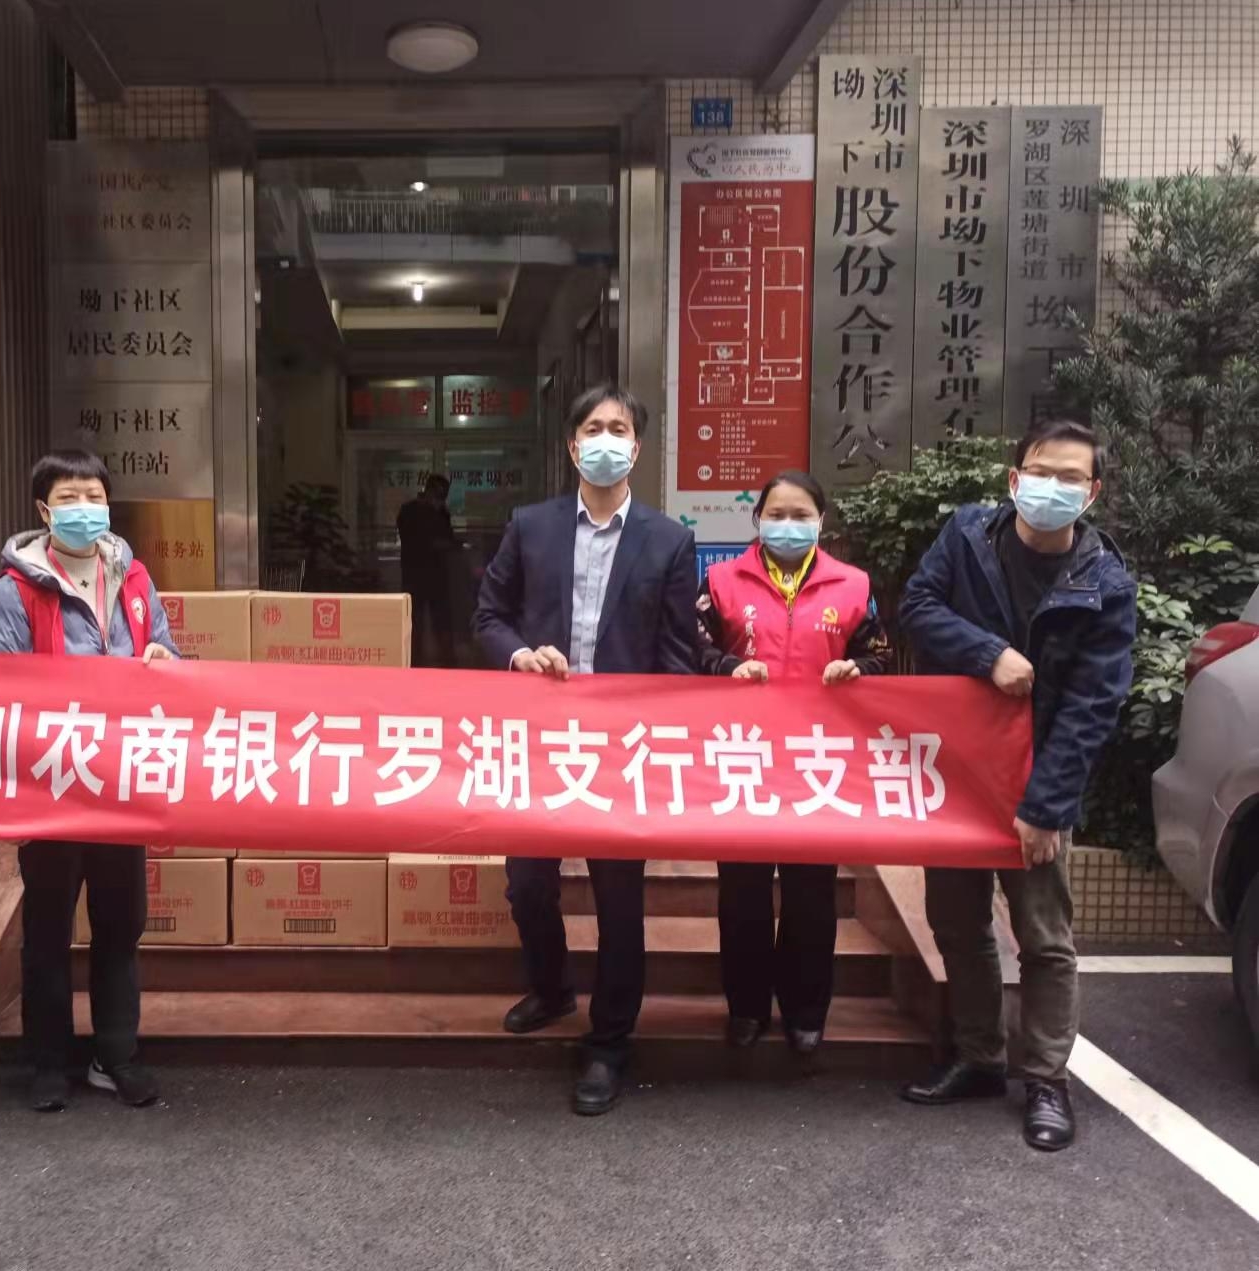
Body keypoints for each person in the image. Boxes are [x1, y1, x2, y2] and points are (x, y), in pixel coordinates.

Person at [897, 419, 1136, 1151]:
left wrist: (1046, 807)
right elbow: (917, 606)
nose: (1052, 487)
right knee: (956, 922)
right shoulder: (967, 535)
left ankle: (1046, 1080)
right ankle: (979, 1056)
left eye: (1070, 477)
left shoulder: (1106, 582)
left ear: (1092, 492)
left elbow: (1094, 705)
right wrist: (989, 653)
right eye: (1041, 471)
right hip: (956, 773)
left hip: (1040, 780)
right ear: (1013, 478)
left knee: (1043, 937)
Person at [473, 383, 706, 1115]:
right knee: (527, 883)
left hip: (622, 749)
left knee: (619, 899)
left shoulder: (669, 541)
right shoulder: (530, 526)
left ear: (637, 446)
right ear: (573, 445)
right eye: (594, 428)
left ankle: (609, 1041)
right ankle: (551, 989)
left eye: (620, 428)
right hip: (539, 739)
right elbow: (489, 615)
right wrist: (519, 655)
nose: (607, 439)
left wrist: (657, 735)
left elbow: (679, 655)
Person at [0, 449, 179, 1113]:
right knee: (47, 929)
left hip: (121, 787)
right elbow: (0, 684)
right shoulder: (15, 591)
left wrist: (163, 658)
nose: (84, 509)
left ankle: (116, 1053)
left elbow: (169, 656)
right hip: (52, 788)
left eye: (93, 496)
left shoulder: (134, 580)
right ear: (44, 510)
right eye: (69, 498)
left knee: (121, 924)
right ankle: (48, 1061)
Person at [696, 471, 894, 1056]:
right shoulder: (720, 581)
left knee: (812, 894)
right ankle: (747, 1009)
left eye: (800, 514)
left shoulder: (853, 585)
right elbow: (692, 646)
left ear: (820, 522)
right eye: (776, 514)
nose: (788, 524)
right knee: (743, 893)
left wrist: (858, 670)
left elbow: (879, 653)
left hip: (817, 761)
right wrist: (726, 667)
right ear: (757, 519)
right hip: (743, 758)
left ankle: (807, 1012)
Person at [397, 473, 459, 667]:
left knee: (440, 621)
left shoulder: (440, 512)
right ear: (430, 491)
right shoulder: (410, 511)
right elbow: (416, 541)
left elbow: (447, 538)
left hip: (435, 574)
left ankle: (446, 662)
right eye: (440, 495)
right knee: (414, 622)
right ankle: (413, 661)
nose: (441, 500)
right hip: (415, 573)